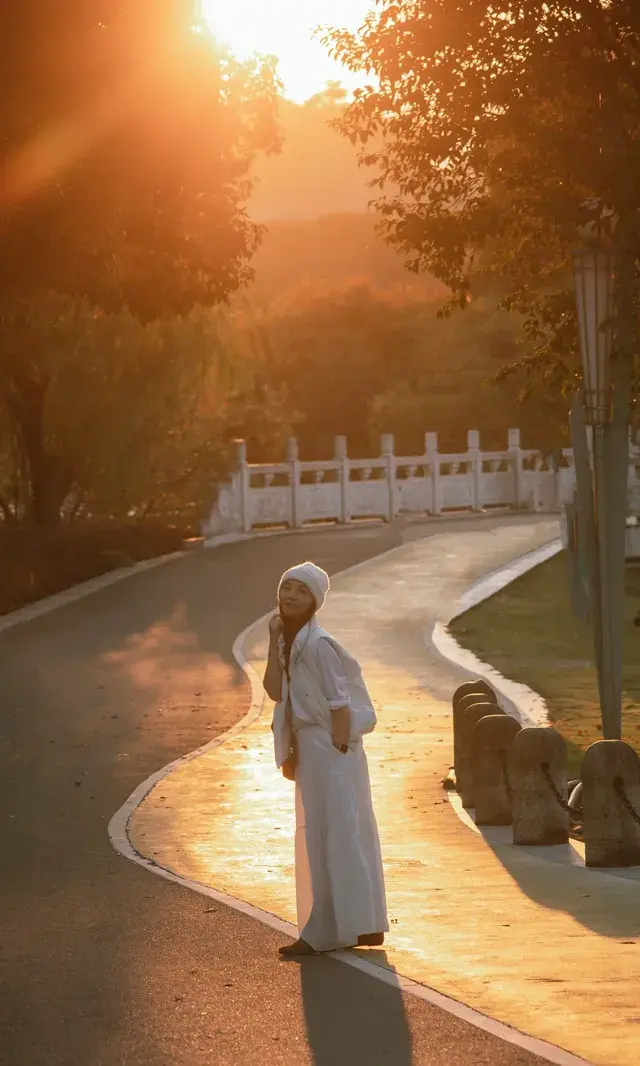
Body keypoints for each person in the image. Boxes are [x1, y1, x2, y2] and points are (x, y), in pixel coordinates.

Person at [263, 560, 388, 957]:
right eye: (286, 587)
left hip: (330, 749)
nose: (291, 596)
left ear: (315, 600)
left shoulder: (317, 644)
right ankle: (362, 924)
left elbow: (339, 700)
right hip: (315, 747)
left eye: (301, 590)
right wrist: (272, 640)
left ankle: (327, 930)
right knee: (341, 831)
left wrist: (335, 749)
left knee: (327, 834)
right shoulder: (290, 642)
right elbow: (273, 690)